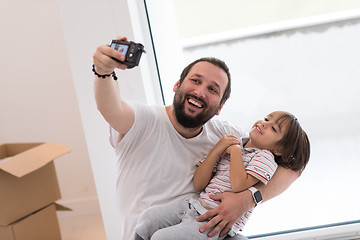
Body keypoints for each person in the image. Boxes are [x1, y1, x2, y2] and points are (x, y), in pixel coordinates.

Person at [93, 36, 301, 240]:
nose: (200, 92)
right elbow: (112, 108)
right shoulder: (144, 120)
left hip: (202, 228)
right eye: (195, 80)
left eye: (212, 89)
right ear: (177, 85)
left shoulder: (229, 137)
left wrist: (249, 199)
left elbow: (294, 167)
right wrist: (103, 73)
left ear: (219, 108)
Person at [134, 111, 310, 239]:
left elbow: (239, 185)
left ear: (279, 149)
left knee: (163, 238)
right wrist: (216, 151)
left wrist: (234, 153)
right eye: (266, 118)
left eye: (273, 128)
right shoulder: (235, 144)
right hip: (195, 206)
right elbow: (199, 183)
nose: (263, 123)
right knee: (149, 218)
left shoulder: (265, 157)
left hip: (215, 221)